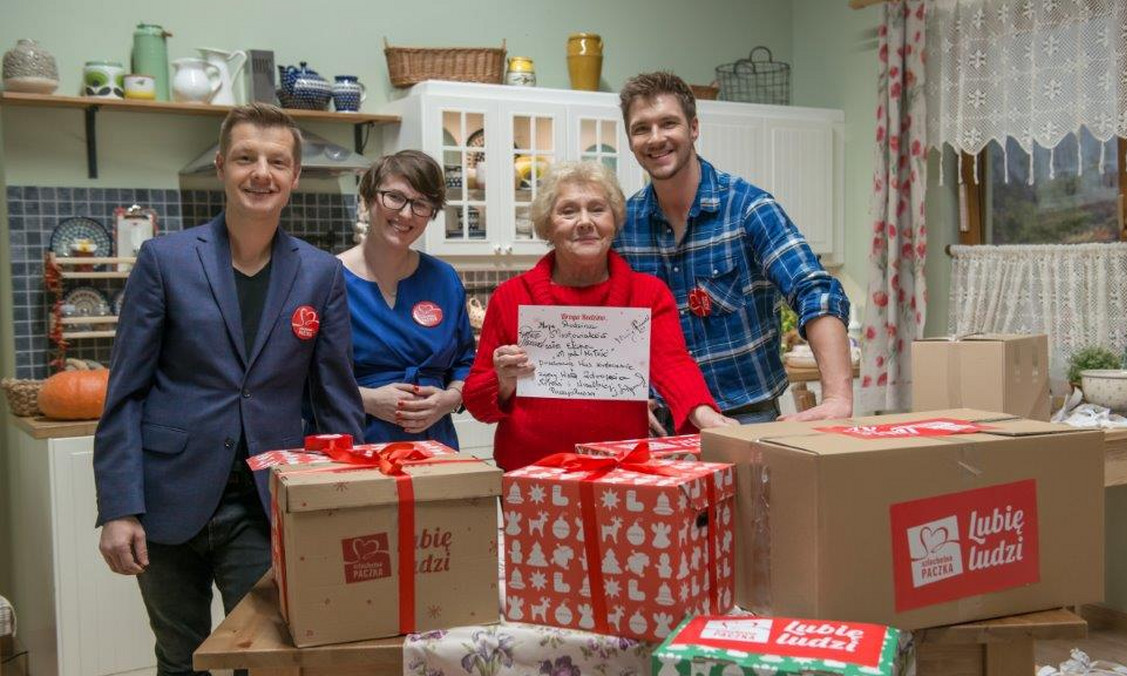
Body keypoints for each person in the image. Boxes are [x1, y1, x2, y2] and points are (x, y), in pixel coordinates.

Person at [93, 103, 364, 675]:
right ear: (221, 167)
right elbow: (125, 394)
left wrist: (338, 501)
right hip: (166, 501)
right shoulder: (165, 260)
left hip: (262, 504)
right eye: (246, 157)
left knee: (261, 657)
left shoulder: (320, 273)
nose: (260, 172)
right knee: (179, 656)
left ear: (294, 176)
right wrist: (119, 507)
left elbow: (334, 400)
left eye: (276, 161)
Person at [614, 71, 853, 425]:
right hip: (661, 425)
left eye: (668, 123)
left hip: (747, 418)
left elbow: (814, 291)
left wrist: (837, 398)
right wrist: (624, 395)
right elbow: (609, 323)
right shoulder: (623, 226)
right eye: (641, 128)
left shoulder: (748, 209)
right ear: (630, 139)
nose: (656, 138)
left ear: (694, 128)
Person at [463, 161, 736, 471]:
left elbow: (673, 364)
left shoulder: (648, 295)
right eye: (568, 211)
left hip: (620, 474)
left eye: (597, 209)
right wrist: (502, 380)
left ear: (614, 220)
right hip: (531, 474)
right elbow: (475, 401)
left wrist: (705, 415)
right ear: (548, 225)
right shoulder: (511, 297)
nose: (584, 222)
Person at [337, 150, 475, 446]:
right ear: (368, 197)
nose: (406, 214)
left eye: (421, 204)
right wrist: (369, 400)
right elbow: (302, 378)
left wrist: (448, 400)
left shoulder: (444, 278)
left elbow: (466, 363)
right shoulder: (329, 279)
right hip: (356, 445)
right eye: (395, 197)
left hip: (435, 446)